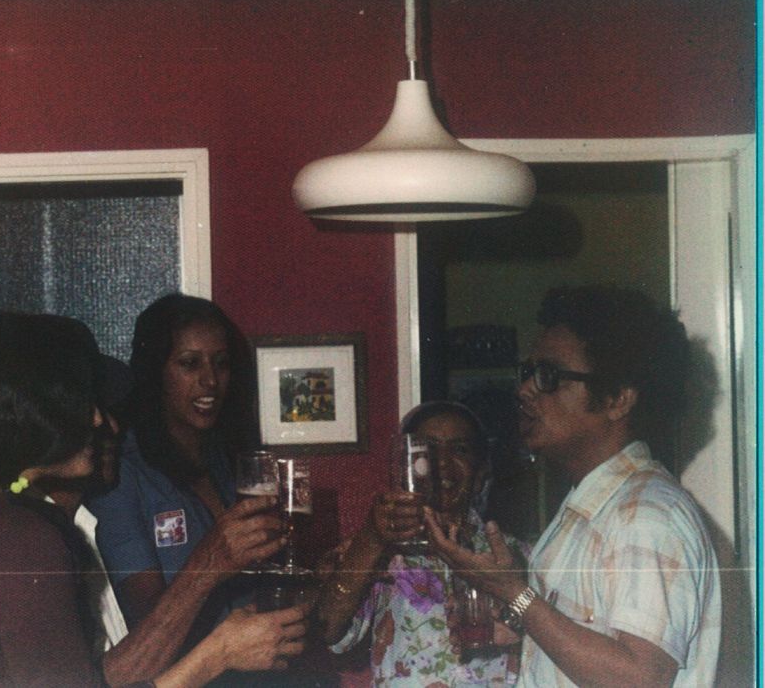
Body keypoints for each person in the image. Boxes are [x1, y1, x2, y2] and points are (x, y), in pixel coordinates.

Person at [0, 312, 306, 687]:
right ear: (28, 410)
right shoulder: (18, 538)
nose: (102, 421)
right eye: (82, 402)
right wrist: (216, 654)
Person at [424, 284, 721, 686]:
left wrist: (516, 594)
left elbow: (639, 678)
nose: (524, 390)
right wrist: (520, 625)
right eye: (527, 373)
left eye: (548, 376)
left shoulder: (646, 515)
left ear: (618, 399)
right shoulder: (596, 506)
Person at [87, 293, 279, 651]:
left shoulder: (231, 459)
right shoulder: (122, 473)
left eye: (221, 363)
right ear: (155, 372)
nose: (210, 381)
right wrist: (210, 560)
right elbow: (146, 628)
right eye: (190, 364)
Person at [316, 401, 521, 686]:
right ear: (406, 467)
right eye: (428, 449)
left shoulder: (517, 554)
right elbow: (328, 632)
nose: (442, 463)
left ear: (481, 470)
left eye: (460, 449)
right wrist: (370, 542)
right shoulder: (378, 550)